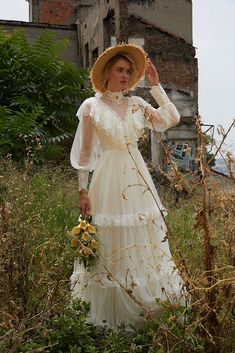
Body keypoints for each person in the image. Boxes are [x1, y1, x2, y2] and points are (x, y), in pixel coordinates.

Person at [70, 43, 184, 328]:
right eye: (119, 70)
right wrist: (83, 189)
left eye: (129, 71)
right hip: (107, 178)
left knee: (141, 231)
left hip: (136, 177)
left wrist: (156, 86)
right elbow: (84, 154)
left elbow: (171, 119)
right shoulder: (90, 107)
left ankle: (147, 303)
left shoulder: (137, 104)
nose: (124, 75)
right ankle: (112, 313)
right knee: (110, 236)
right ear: (107, 72)